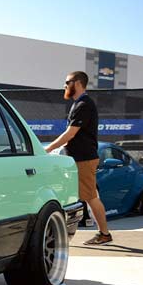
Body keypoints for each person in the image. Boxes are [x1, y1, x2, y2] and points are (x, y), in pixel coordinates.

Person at [45, 71, 112, 245]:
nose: (65, 85)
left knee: (91, 197)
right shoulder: (79, 104)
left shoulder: (84, 104)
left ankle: (104, 234)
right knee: (86, 196)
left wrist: (49, 149)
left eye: (67, 82)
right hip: (77, 159)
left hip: (84, 159)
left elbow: (70, 133)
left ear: (78, 83)